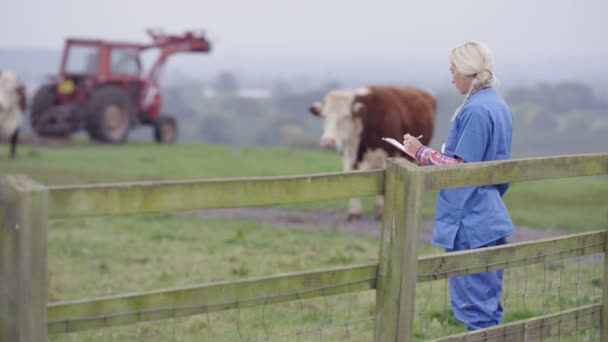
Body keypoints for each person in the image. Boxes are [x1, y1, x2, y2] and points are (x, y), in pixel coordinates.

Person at [401, 41, 515, 331]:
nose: (451, 78)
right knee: (488, 305)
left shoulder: (476, 111)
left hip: (470, 218)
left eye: (453, 72)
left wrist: (419, 151)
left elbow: (460, 169)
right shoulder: (497, 103)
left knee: (474, 309)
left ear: (467, 71)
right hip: (489, 213)